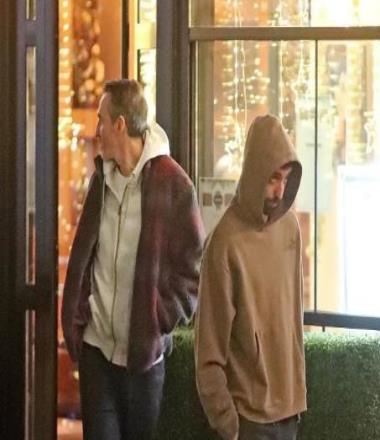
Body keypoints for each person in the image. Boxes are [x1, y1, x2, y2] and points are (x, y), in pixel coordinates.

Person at [62, 79, 204, 440]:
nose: (97, 131)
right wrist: (78, 315)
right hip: (97, 351)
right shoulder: (101, 180)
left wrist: (158, 318)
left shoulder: (175, 185)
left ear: (120, 124)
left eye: (101, 120)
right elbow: (85, 255)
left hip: (144, 362)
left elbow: (194, 271)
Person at [195, 115, 307, 440]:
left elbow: (293, 320)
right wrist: (229, 425)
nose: (280, 190)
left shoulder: (290, 229)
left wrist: (296, 394)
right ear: (255, 173)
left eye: (286, 179)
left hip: (290, 413)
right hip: (248, 421)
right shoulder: (224, 242)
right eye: (273, 178)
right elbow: (208, 350)